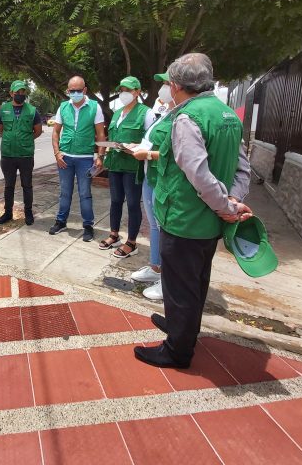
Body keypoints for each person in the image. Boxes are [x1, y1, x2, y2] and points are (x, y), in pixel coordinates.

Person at [133, 53, 252, 369]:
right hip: (210, 221)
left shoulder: (187, 119)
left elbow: (197, 173)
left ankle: (177, 351)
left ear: (175, 85)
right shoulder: (227, 115)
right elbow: (243, 168)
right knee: (194, 282)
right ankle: (181, 328)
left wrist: (227, 206)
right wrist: (232, 203)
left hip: (185, 219)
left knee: (181, 286)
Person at [129, 72, 174, 300]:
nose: (163, 88)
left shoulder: (181, 115)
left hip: (163, 179)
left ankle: (168, 280)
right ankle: (156, 267)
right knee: (155, 226)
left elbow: (177, 154)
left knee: (166, 228)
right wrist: (139, 147)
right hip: (150, 175)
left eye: (167, 84)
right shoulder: (164, 113)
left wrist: (148, 153)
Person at [49, 76, 106, 242]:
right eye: (71, 91)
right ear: (67, 91)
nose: (74, 93)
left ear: (85, 90)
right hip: (65, 157)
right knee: (65, 192)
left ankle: (88, 225)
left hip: (85, 158)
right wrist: (57, 153)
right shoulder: (63, 107)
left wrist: (100, 156)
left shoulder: (94, 107)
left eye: (78, 90)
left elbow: (101, 134)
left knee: (84, 193)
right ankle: (61, 222)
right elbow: (55, 132)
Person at [99, 76, 149, 258]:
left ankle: (132, 242)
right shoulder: (118, 113)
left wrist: (135, 147)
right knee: (115, 201)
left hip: (132, 166)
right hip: (115, 165)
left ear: (137, 92)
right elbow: (111, 137)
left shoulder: (146, 113)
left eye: (128, 90)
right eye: (121, 90)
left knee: (134, 204)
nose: (124, 93)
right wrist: (103, 155)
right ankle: (114, 234)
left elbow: (150, 141)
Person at [0, 80, 43, 226]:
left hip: (26, 154)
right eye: (18, 92)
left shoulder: (32, 110)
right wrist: (12, 139)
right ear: (11, 93)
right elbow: (0, 129)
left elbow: (38, 131)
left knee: (27, 185)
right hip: (8, 155)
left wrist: (25, 140)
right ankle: (7, 213)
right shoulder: (3, 109)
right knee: (8, 185)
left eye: (23, 92)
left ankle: (28, 212)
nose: (20, 95)